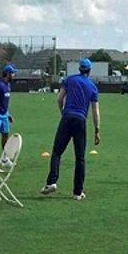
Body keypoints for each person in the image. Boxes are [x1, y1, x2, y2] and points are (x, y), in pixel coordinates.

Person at [41, 58, 101, 201]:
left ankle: (51, 182)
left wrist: (63, 113)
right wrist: (97, 130)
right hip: (80, 121)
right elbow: (95, 111)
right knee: (80, 158)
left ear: (79, 69)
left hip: (67, 118)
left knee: (57, 152)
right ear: (89, 70)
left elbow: (59, 99)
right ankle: (77, 192)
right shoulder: (92, 87)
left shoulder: (69, 80)